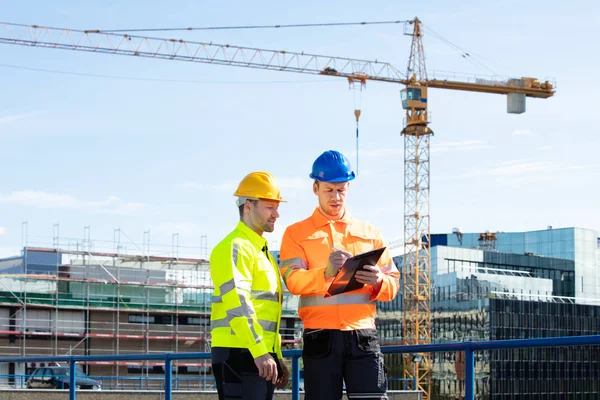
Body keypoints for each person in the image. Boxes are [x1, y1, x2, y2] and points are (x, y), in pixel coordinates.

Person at [279, 150, 400, 400]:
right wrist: (325, 273)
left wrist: (379, 281)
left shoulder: (370, 232)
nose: (336, 197)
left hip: (363, 335)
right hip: (320, 335)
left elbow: (394, 284)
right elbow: (293, 281)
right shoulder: (295, 233)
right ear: (315, 188)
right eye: (329, 190)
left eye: (341, 190)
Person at [210, 171, 290, 400]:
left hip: (257, 354)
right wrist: (260, 351)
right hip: (239, 353)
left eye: (277, 207)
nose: (276, 214)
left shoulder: (259, 251)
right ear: (248, 206)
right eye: (269, 207)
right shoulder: (234, 247)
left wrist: (276, 355)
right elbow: (238, 303)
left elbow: (266, 313)